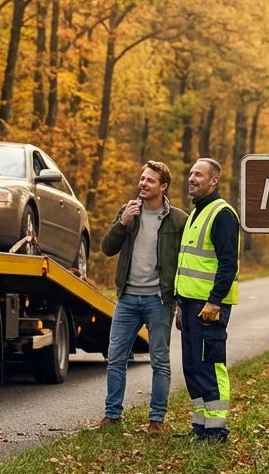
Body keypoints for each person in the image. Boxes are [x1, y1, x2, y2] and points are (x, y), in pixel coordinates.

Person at [98, 161, 187, 434]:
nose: (143, 183)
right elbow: (107, 248)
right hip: (127, 298)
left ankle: (156, 420)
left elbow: (184, 263)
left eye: (149, 180)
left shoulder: (179, 220)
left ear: (163, 186)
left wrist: (180, 302)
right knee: (115, 358)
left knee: (159, 361)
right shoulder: (128, 213)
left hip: (159, 301)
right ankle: (112, 416)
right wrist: (122, 223)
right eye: (142, 178)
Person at [175, 158, 240, 442]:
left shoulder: (222, 214)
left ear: (214, 180)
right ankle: (200, 428)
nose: (191, 178)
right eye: (190, 173)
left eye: (198, 174)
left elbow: (228, 264)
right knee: (193, 368)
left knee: (210, 366)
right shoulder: (196, 214)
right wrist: (180, 303)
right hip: (190, 304)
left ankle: (216, 431)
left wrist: (214, 301)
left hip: (209, 307)